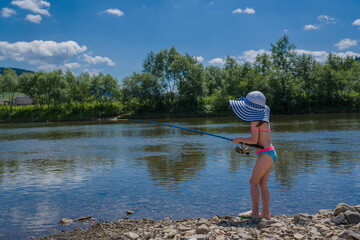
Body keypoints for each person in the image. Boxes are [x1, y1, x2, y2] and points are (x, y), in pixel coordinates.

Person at [229, 91, 277, 220]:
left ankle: (255, 212)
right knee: (262, 184)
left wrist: (239, 139)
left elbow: (254, 140)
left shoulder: (254, 121)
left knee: (253, 181)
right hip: (270, 152)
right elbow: (259, 141)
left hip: (265, 154)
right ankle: (266, 213)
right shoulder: (263, 120)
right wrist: (246, 144)